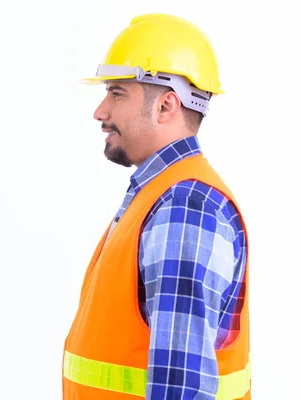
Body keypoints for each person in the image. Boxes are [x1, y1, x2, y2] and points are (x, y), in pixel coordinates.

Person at [62, 14, 251, 400]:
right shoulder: (159, 195)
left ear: (166, 106)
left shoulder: (185, 205)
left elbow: (181, 387)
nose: (100, 111)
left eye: (117, 93)